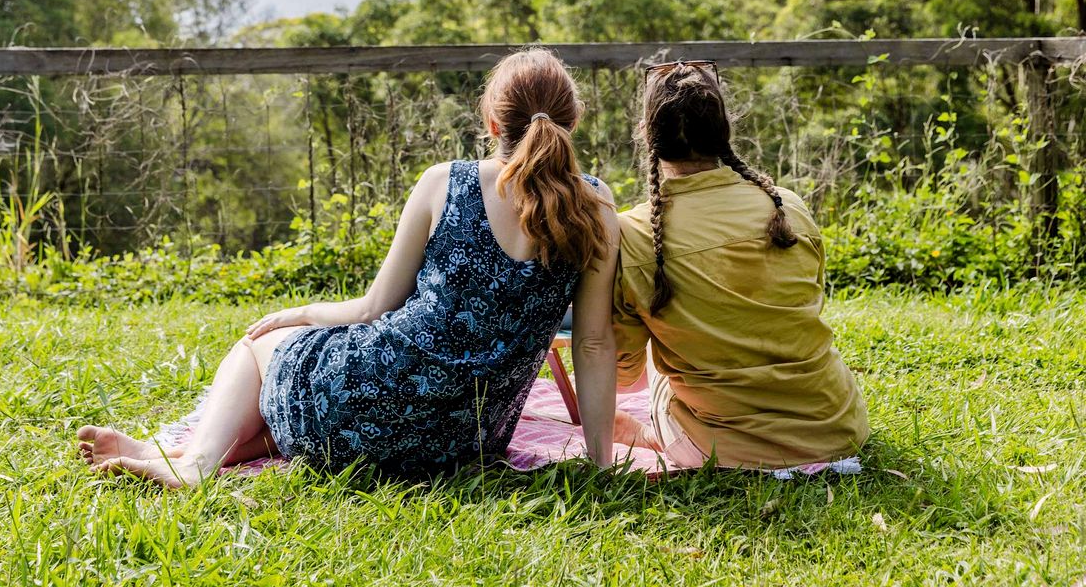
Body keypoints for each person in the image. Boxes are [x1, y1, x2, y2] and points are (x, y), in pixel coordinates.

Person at [75, 47, 622, 485]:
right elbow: (593, 344)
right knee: (307, 389)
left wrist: (300, 313)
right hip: (465, 441)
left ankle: (195, 464)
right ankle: (170, 452)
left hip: (371, 407)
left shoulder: (445, 183)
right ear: (571, 123)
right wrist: (600, 465)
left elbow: (374, 307)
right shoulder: (597, 206)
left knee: (261, 349)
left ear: (490, 120)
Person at [614, 60, 869, 469]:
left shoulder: (634, 234)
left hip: (721, 448)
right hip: (837, 429)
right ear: (725, 131)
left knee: (659, 349)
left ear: (647, 138)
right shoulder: (788, 206)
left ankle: (646, 436)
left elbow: (624, 374)